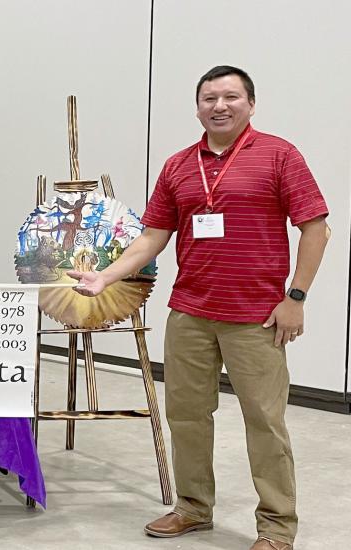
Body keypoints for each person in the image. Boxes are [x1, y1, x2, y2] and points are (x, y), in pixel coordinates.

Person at [69, 65, 329, 550]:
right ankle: (192, 507)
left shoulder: (279, 155)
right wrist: (105, 275)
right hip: (190, 312)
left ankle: (276, 527)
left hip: (258, 317)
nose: (219, 106)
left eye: (231, 97)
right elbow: (152, 237)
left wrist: (295, 298)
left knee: (264, 422)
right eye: (209, 98)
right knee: (187, 415)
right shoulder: (178, 165)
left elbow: (316, 227)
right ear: (197, 107)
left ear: (251, 104)